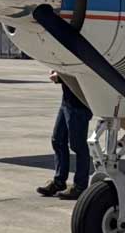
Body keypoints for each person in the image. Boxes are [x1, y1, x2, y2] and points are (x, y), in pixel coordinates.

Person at [37, 71, 94, 200]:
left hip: (79, 105)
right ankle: (59, 181)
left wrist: (61, 77)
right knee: (57, 140)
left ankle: (80, 186)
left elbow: (80, 73)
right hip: (67, 102)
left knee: (78, 145)